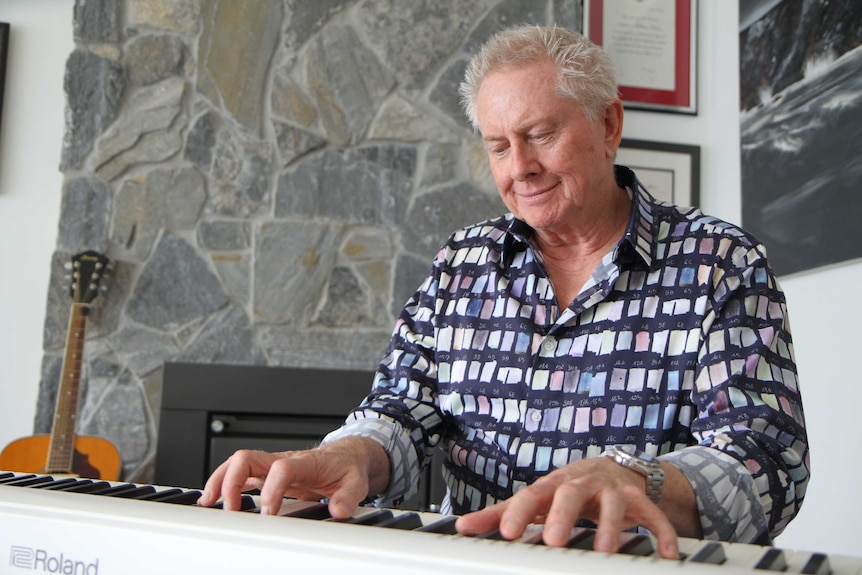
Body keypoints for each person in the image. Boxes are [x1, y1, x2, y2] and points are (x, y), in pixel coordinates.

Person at [199, 25, 808, 559]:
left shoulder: (722, 263)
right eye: (498, 146)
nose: (519, 167)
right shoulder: (461, 262)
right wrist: (351, 453)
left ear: (608, 124)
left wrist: (640, 481)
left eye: (540, 135)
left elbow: (766, 462)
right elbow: (399, 411)